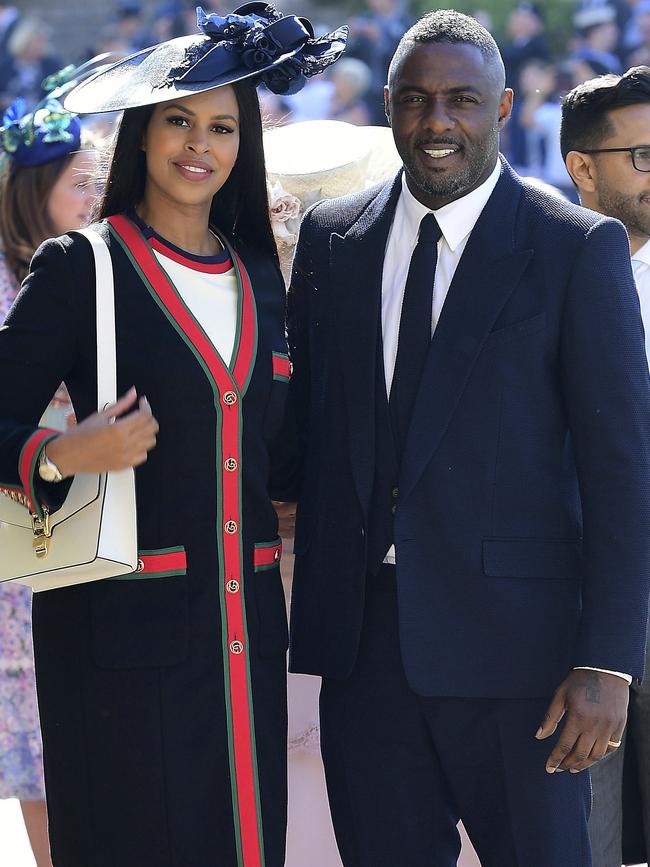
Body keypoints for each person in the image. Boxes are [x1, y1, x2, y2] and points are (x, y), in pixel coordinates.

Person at [273, 10, 650, 867]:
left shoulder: (575, 248)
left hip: (528, 671)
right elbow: (299, 441)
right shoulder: (332, 240)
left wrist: (609, 660)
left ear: (506, 107)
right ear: (391, 107)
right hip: (363, 659)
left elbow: (622, 471)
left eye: (461, 100)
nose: (436, 121)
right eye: (414, 99)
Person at [0, 5, 346, 866]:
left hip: (247, 643)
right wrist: (59, 453)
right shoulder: (83, 267)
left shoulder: (264, 282)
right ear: (142, 138)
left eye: (223, 126)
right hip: (118, 644)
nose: (201, 144)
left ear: (244, 145)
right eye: (179, 121)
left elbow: (285, 457)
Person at [0, 89, 98, 867]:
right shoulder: (10, 287)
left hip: (93, 522)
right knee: (39, 736)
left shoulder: (96, 274)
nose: (94, 197)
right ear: (36, 191)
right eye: (79, 182)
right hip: (21, 544)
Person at [561, 65, 650, 867]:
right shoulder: (535, 276)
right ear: (582, 166)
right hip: (577, 609)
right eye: (644, 157)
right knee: (587, 837)